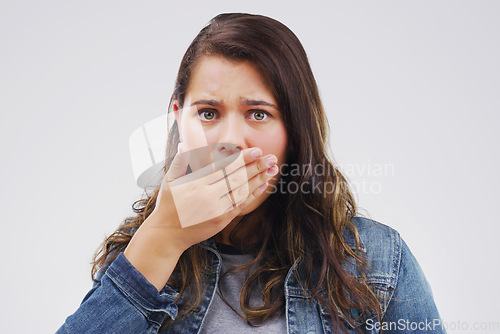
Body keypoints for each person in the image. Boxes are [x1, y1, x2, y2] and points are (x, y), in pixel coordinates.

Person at [57, 13, 445, 334]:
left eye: (258, 114)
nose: (230, 142)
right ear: (178, 120)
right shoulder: (140, 252)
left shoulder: (377, 262)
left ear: (295, 131)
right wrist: (163, 238)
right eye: (208, 113)